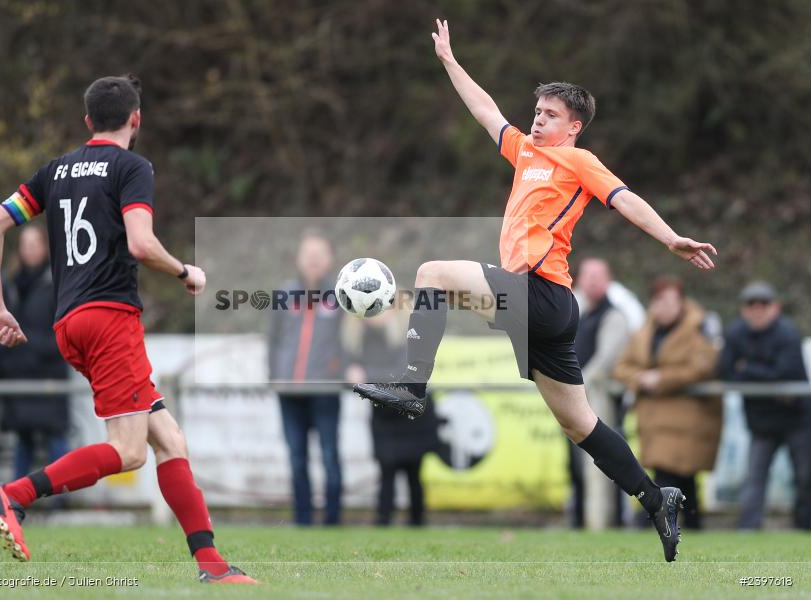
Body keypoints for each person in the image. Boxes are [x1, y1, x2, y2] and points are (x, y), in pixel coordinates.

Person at [355, 19, 717, 562]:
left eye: (550, 114)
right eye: (538, 111)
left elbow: (625, 198)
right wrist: (451, 61)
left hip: (543, 296)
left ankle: (412, 386)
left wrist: (670, 239)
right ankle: (654, 497)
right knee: (580, 424)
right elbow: (484, 111)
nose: (538, 119)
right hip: (540, 311)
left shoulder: (578, 161)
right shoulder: (525, 152)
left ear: (573, 126)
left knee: (432, 273)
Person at [0, 74, 255, 584]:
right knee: (128, 450)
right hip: (109, 319)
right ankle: (13, 495)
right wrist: (185, 272)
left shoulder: (55, 171)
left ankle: (213, 566)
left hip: (69, 322)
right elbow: (141, 245)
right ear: (136, 119)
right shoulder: (132, 166)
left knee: (168, 439)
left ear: (87, 122)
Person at [614, 277, 721, 529]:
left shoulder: (698, 328)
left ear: (681, 302)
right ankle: (692, 524)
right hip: (655, 420)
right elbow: (621, 367)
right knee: (682, 478)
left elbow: (703, 366)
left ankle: (649, 521)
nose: (665, 307)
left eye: (670, 301)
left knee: (670, 475)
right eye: (660, 301)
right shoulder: (645, 332)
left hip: (689, 418)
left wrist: (661, 379)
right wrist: (640, 378)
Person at [717, 281, 811, 530]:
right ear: (743, 309)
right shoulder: (736, 333)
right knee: (754, 479)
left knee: (805, 477)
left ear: (776, 307)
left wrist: (746, 368)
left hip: (797, 419)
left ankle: (804, 527)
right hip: (761, 420)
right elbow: (725, 370)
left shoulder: (788, 333)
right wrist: (762, 373)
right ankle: (748, 529)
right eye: (751, 304)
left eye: (763, 304)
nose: (757, 310)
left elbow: (786, 373)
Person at [268, 231, 344, 526]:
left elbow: (349, 341)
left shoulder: (341, 298)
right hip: (289, 392)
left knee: (329, 457)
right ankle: (302, 521)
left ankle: (333, 521)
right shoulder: (284, 295)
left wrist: (345, 370)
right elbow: (273, 341)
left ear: (329, 260)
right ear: (299, 259)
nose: (313, 260)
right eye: (308, 254)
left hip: (326, 391)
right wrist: (273, 376)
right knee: (297, 459)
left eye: (319, 254)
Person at [345, 311, 439, 527]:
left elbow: (400, 375)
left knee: (414, 473)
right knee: (386, 471)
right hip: (384, 414)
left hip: (411, 414)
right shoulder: (359, 336)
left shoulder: (410, 337)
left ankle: (417, 522)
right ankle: (383, 520)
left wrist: (365, 376)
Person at [0, 225, 70, 483]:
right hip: (19, 375)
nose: (29, 250)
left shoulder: (58, 281)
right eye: (24, 244)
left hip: (48, 374)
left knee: (55, 438)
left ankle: (62, 496)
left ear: (45, 247)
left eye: (34, 244)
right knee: (23, 439)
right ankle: (15, 497)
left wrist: (31, 346)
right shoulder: (10, 284)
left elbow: (64, 331)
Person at [568, 258, 631, 529]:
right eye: (588, 275)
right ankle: (581, 522)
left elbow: (604, 362)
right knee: (576, 467)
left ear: (608, 280)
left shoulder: (614, 316)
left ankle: (604, 524)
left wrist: (572, 384)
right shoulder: (578, 314)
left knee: (602, 467)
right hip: (576, 398)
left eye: (598, 275)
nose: (592, 280)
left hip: (599, 400)